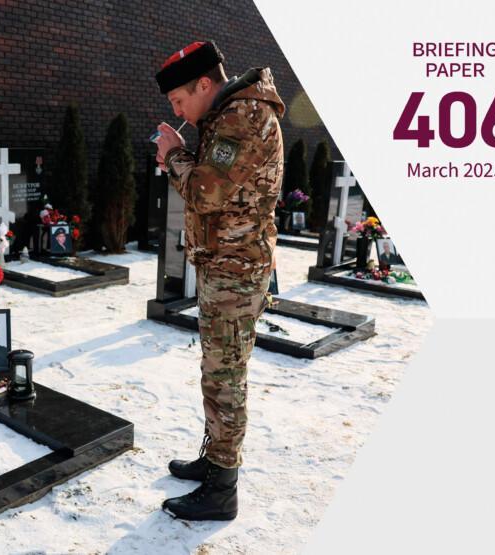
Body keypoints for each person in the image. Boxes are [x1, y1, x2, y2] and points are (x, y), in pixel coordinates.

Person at [153, 40, 285, 521]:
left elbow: (207, 192)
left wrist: (174, 156)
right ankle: (214, 459)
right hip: (227, 267)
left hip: (237, 272)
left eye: (179, 101)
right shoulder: (227, 114)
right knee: (218, 373)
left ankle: (222, 490)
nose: (179, 111)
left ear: (204, 84)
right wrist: (184, 155)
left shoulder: (242, 118)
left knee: (225, 378)